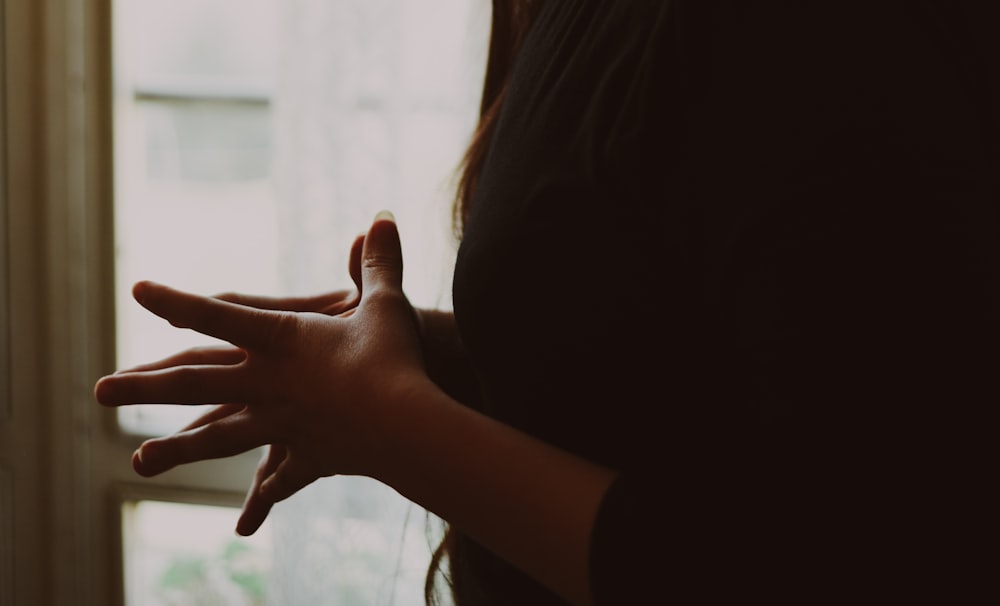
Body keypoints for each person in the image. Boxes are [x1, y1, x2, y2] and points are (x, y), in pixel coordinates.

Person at [96, 1, 998, 604]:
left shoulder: (821, 36)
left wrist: (387, 422)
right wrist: (443, 351)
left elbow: (843, 560)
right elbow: (686, 344)